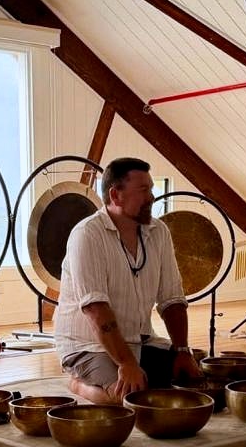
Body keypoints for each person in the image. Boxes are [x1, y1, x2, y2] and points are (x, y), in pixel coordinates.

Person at [54, 157, 201, 405]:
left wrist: (182, 351)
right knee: (126, 398)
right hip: (88, 345)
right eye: (143, 190)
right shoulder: (87, 234)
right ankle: (78, 383)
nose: (152, 197)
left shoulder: (158, 232)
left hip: (139, 341)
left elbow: (172, 299)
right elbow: (95, 309)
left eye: (151, 189)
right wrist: (127, 363)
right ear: (116, 195)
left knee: (193, 380)